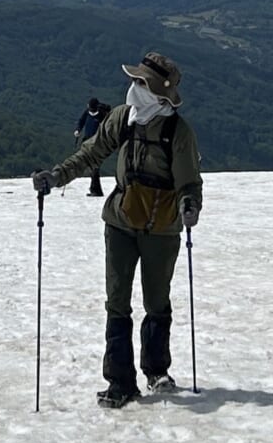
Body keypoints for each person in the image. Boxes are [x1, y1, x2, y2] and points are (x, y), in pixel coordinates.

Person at [31, 52, 203, 409]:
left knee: (156, 301)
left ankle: (156, 370)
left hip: (162, 230)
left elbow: (190, 183)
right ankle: (120, 381)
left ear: (157, 93)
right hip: (121, 224)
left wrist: (190, 206)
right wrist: (56, 176)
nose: (133, 87)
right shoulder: (123, 119)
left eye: (141, 83)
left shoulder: (177, 132)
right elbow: (91, 153)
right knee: (117, 302)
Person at [74, 97, 112, 196]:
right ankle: (94, 189)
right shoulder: (88, 112)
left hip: (97, 143)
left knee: (94, 166)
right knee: (93, 167)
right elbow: (81, 121)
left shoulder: (102, 115)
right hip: (88, 141)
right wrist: (78, 130)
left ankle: (96, 190)